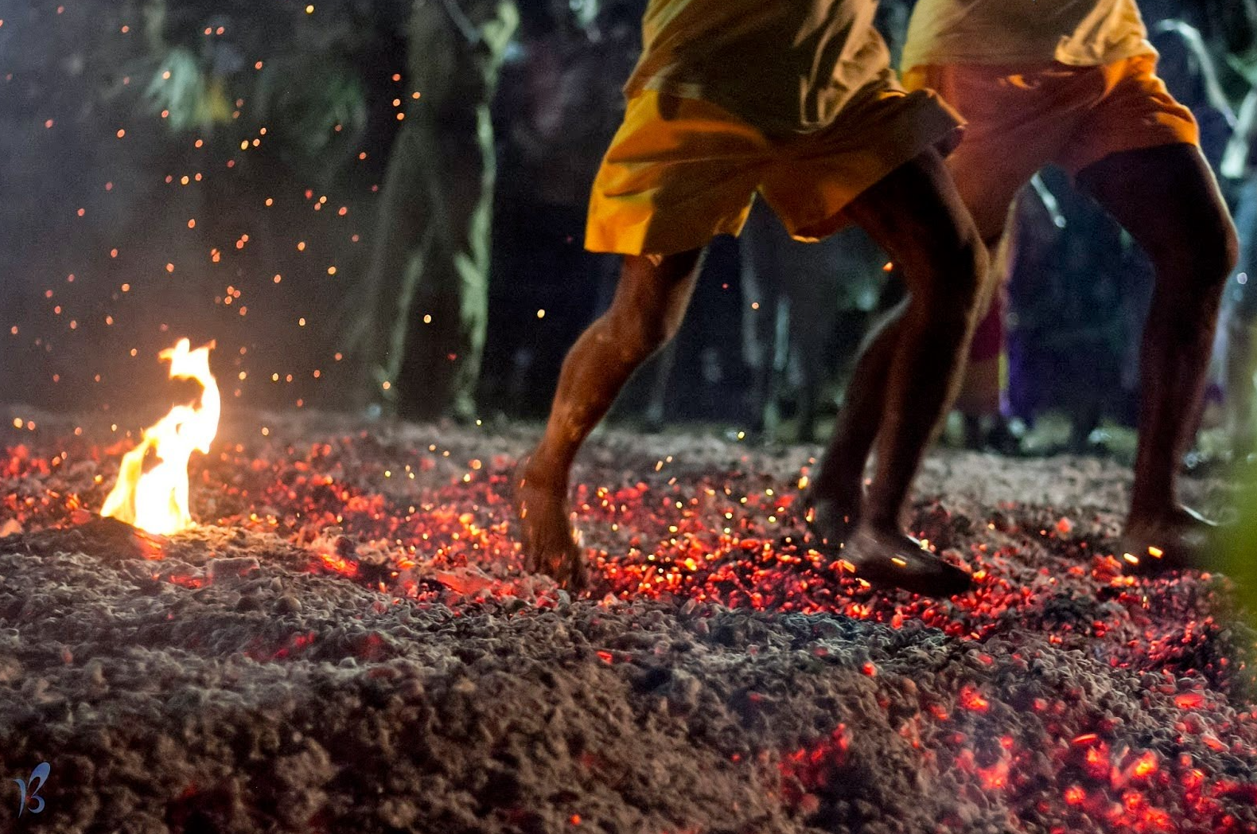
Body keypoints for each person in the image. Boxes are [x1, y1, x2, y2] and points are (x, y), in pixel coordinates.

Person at [516, 0, 989, 595]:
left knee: (957, 268)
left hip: (838, 74)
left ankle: (879, 521)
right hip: (711, 70)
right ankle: (543, 474)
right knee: (644, 323)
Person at [833, 0, 1238, 571]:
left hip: (1104, 48)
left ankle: (1156, 512)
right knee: (951, 284)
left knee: (1201, 248)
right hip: (984, 53)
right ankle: (847, 492)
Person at [345, 0, 519, 422]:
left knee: (463, 269)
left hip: (460, 132)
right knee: (391, 261)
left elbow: (480, 49)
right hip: (418, 127)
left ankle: (457, 397)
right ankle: (375, 390)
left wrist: (447, 10)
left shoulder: (496, 8)